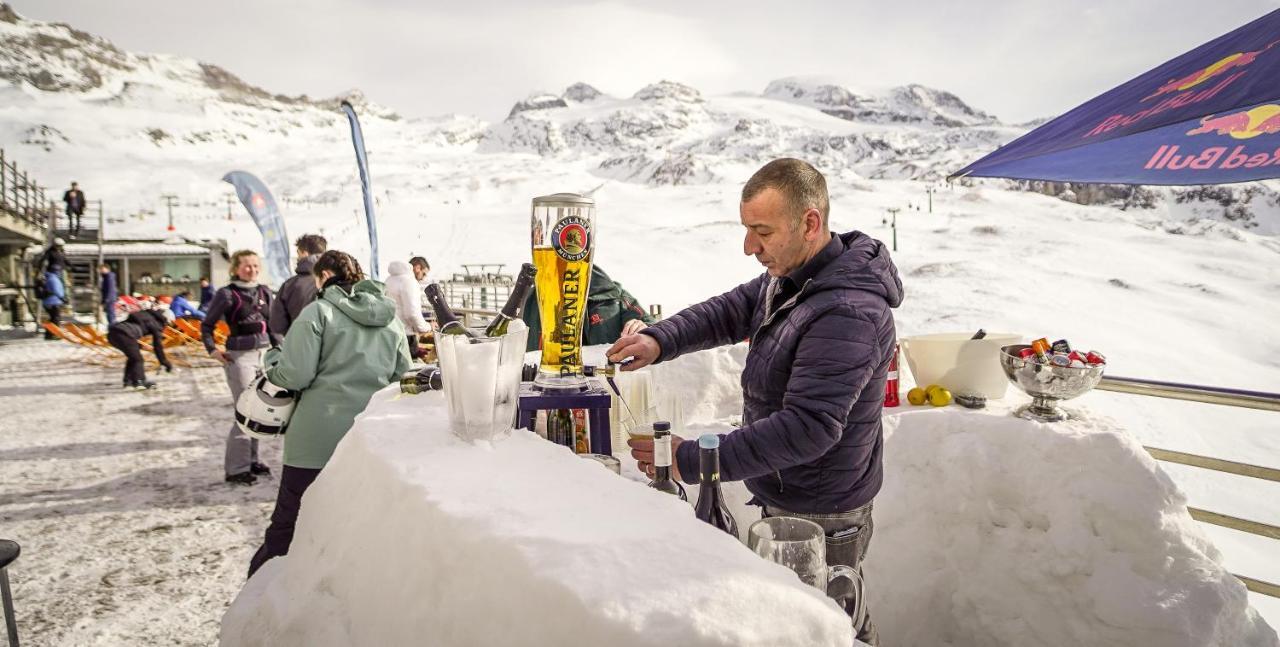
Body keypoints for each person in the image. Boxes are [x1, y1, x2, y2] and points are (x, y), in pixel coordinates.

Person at [607, 159, 902, 645]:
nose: (750, 248)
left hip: (825, 513)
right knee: (795, 621)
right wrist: (660, 339)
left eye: (761, 231)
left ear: (810, 223)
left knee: (831, 629)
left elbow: (809, 427)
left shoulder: (848, 312)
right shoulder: (793, 276)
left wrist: (696, 459)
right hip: (790, 491)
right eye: (747, 230)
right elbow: (730, 310)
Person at [247, 250, 411, 577]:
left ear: (322, 277)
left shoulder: (318, 312)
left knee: (288, 524)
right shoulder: (390, 318)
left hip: (315, 439)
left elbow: (296, 375)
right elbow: (401, 377)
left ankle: (259, 594)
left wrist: (273, 363)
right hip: (368, 436)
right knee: (355, 519)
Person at [201, 250, 281, 486]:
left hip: (265, 356)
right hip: (241, 357)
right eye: (247, 266)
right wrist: (212, 350)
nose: (252, 270)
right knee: (245, 410)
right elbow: (206, 325)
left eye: (256, 266)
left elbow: (274, 325)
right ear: (235, 268)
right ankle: (236, 469)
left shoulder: (264, 291)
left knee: (260, 411)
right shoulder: (226, 294)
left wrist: (281, 351)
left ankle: (252, 460)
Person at [520, 264, 656, 352]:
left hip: (605, 388)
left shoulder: (613, 296)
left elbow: (654, 328)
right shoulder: (528, 301)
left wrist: (643, 328)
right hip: (546, 389)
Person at [269, 234, 327, 337]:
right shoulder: (338, 279)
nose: (297, 258)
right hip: (333, 347)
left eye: (298, 253)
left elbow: (277, 325)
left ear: (304, 254)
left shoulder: (290, 285)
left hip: (301, 344)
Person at [107, 305, 174, 389]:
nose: (166, 326)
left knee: (133, 357)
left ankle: (128, 382)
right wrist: (165, 362)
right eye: (168, 323)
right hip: (125, 334)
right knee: (138, 359)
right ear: (166, 319)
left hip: (113, 333)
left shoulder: (147, 314)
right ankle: (140, 382)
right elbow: (158, 346)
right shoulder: (157, 323)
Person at [384, 260, 431, 359]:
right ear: (418, 268)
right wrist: (427, 327)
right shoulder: (409, 282)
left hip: (390, 333)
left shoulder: (389, 279)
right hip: (406, 336)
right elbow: (411, 314)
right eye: (424, 273)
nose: (423, 278)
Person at [39, 267, 67, 340]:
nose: (60, 272)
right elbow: (56, 290)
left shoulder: (50, 278)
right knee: (55, 319)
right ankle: (54, 334)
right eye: (59, 271)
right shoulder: (53, 279)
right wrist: (62, 298)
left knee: (53, 318)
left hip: (51, 301)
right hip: (53, 301)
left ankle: (48, 335)